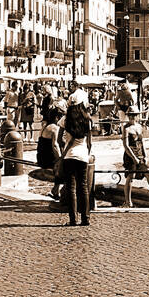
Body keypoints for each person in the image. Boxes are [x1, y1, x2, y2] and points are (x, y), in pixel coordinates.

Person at [59, 93, 93, 226]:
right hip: (83, 156)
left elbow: (58, 139)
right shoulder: (87, 119)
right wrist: (86, 153)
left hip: (69, 156)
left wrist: (64, 151)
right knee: (83, 187)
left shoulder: (65, 119)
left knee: (71, 188)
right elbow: (90, 143)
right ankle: (86, 218)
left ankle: (73, 219)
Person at [121, 114, 149, 207]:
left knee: (148, 173)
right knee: (131, 176)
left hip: (140, 153)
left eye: (134, 115)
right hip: (130, 155)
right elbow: (126, 145)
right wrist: (134, 158)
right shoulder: (126, 128)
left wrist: (145, 156)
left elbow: (141, 142)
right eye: (130, 115)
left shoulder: (139, 126)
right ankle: (128, 201)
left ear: (137, 116)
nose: (132, 117)